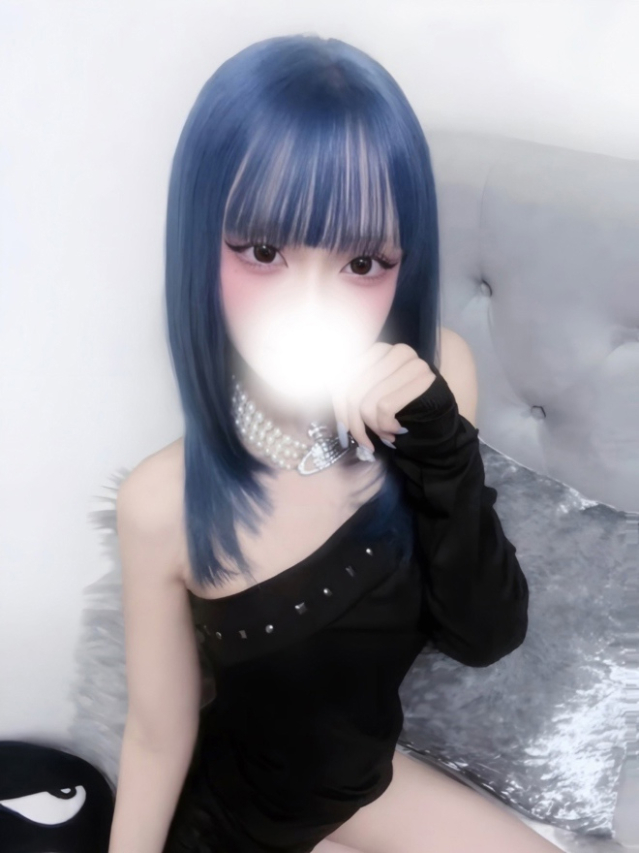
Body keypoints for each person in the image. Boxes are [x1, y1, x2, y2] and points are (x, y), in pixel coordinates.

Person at [108, 33, 561, 853]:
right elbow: (153, 737)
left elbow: (485, 633)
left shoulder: (438, 376)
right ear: (199, 245)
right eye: (265, 251)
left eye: (360, 262)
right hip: (240, 826)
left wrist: (438, 443)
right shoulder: (160, 503)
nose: (311, 306)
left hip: (361, 787)